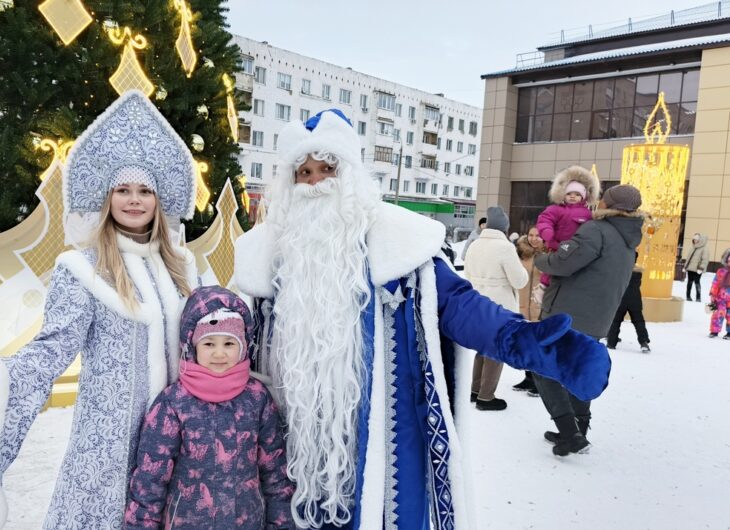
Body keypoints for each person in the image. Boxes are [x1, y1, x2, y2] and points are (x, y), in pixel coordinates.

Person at [234, 109, 611, 529]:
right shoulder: (269, 264)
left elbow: (461, 307)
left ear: (352, 178)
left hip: (382, 443)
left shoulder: (400, 250)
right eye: (303, 173)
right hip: (291, 449)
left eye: (327, 169)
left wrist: (533, 345)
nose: (316, 183)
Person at [0, 91, 199, 529]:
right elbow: (51, 349)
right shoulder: (82, 269)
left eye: (145, 191)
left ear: (159, 201)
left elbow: (215, 336)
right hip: (110, 439)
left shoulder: (182, 268)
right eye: (123, 190)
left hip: (177, 435)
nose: (134, 200)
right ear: (106, 197)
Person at [124, 286, 294, 529]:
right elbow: (150, 480)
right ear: (192, 346)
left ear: (243, 345)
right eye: (209, 344)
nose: (219, 353)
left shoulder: (257, 399)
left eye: (228, 343)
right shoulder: (174, 403)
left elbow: (276, 474)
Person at [534, 184, 644, 457]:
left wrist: (539, 258)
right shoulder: (629, 239)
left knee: (541, 365)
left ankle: (569, 433)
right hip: (597, 318)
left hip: (569, 316)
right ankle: (579, 429)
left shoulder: (597, 230)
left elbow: (562, 262)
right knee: (577, 370)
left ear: (608, 205)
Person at [464, 205, 528, 411]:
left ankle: (475, 391)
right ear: (504, 228)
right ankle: (486, 397)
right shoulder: (505, 247)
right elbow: (519, 281)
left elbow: (467, 274)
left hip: (477, 304)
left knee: (482, 348)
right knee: (496, 350)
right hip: (499, 306)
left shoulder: (474, 245)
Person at [535, 165, 601, 289]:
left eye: (577, 194)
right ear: (563, 194)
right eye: (569, 193)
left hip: (577, 249)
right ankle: (543, 287)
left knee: (574, 272)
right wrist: (546, 230)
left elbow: (593, 229)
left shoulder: (587, 214)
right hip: (557, 247)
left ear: (584, 196)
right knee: (551, 269)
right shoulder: (556, 209)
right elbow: (545, 219)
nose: (572, 196)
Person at [512, 226, 546, 396]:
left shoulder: (548, 254)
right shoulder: (520, 254)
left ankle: (539, 382)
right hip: (522, 306)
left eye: (538, 235)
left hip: (540, 307)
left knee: (539, 346)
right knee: (525, 345)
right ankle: (528, 377)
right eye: (531, 235)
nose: (533, 238)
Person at [606, 258, 651, 352]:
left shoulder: (620, 270)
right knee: (639, 322)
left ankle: (611, 342)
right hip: (635, 300)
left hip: (621, 299)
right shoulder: (638, 273)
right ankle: (644, 342)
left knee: (615, 321)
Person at [708, 254, 730, 338]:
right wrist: (713, 294)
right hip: (720, 298)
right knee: (717, 314)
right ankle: (714, 331)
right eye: (728, 261)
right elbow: (715, 283)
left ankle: (729, 333)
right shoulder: (721, 271)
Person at [686, 233, 710, 302]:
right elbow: (688, 258)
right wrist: (685, 266)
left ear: (700, 240)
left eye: (696, 239)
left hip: (698, 269)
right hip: (690, 268)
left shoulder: (704, 248)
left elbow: (705, 259)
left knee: (697, 282)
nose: (695, 241)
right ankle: (688, 296)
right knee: (689, 282)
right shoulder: (693, 247)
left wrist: (701, 268)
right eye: (694, 239)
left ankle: (698, 297)